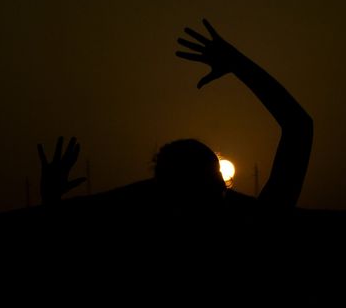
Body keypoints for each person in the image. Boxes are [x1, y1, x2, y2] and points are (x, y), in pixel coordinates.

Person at [37, 19, 313, 224]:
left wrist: (51, 199)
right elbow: (299, 127)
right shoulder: (253, 232)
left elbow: (299, 128)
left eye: (217, 178)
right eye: (212, 178)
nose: (219, 187)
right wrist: (237, 64)